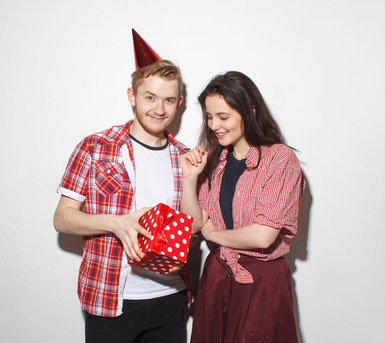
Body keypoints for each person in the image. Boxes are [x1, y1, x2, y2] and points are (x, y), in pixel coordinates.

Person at [53, 30, 190, 343]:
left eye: (169, 100)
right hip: (109, 298)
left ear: (179, 103)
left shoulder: (185, 158)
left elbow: (191, 225)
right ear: (132, 96)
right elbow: (62, 219)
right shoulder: (95, 147)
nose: (159, 109)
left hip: (170, 297)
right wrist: (116, 223)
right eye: (150, 97)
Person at [180, 71, 306, 343]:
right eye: (209, 117)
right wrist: (190, 179)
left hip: (262, 284)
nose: (214, 125)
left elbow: (263, 236)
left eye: (223, 117)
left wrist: (212, 234)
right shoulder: (214, 159)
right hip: (216, 279)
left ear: (249, 111)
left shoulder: (279, 159)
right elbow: (192, 225)